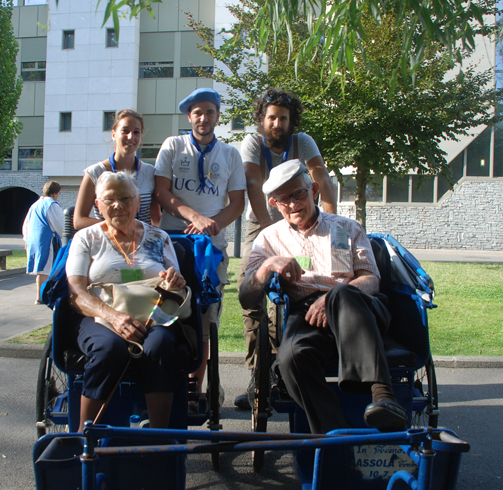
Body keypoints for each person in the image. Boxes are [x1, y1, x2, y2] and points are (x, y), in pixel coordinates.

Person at [239, 160, 407, 434]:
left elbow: (370, 280)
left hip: (358, 307)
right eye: (283, 199)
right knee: (291, 358)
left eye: (299, 194)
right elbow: (247, 297)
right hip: (307, 314)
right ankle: (333, 435)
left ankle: (383, 396)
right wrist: (267, 266)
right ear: (274, 203)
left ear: (314, 190)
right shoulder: (268, 238)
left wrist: (331, 299)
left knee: (342, 292)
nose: (292, 204)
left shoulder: (347, 227)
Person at [235, 88, 338, 410]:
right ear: (262, 119)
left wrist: (332, 220)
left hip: (304, 218)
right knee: (252, 292)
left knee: (307, 283)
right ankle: (258, 376)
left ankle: (287, 369)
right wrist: (273, 234)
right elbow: (254, 185)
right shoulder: (252, 143)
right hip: (263, 222)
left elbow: (322, 178)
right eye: (271, 118)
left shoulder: (302, 142)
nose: (277, 123)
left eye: (283, 118)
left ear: (292, 121)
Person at [66, 171, 187, 431]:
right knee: (108, 348)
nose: (118, 205)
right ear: (98, 205)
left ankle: (159, 436)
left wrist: (175, 278)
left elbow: (176, 284)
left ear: (138, 202)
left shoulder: (159, 237)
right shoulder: (86, 238)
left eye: (125, 198)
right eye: (109, 199)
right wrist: (114, 317)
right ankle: (83, 434)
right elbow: (76, 293)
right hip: (100, 316)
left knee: (161, 346)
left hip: (153, 315)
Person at [154, 87, 246, 390]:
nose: (203, 118)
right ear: (189, 117)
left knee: (204, 321)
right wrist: (194, 217)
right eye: (197, 112)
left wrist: (210, 226)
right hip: (172, 245)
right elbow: (162, 193)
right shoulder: (173, 145)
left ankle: (195, 387)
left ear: (218, 116)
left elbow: (237, 204)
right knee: (164, 311)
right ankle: (163, 381)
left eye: (209, 112)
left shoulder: (231, 154)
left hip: (212, 250)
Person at [73, 109, 160, 229]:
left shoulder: (150, 172)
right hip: (107, 239)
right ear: (114, 134)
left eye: (136, 132)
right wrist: (118, 226)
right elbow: (79, 221)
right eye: (125, 131)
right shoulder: (95, 173)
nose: (131, 136)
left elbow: (156, 219)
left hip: (141, 238)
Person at [23, 181, 64, 304]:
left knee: (41, 269)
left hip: (33, 239)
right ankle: (41, 297)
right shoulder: (52, 205)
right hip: (46, 240)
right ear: (55, 193)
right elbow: (60, 225)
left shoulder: (35, 205)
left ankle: (41, 296)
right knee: (46, 269)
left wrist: (26, 239)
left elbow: (26, 224)